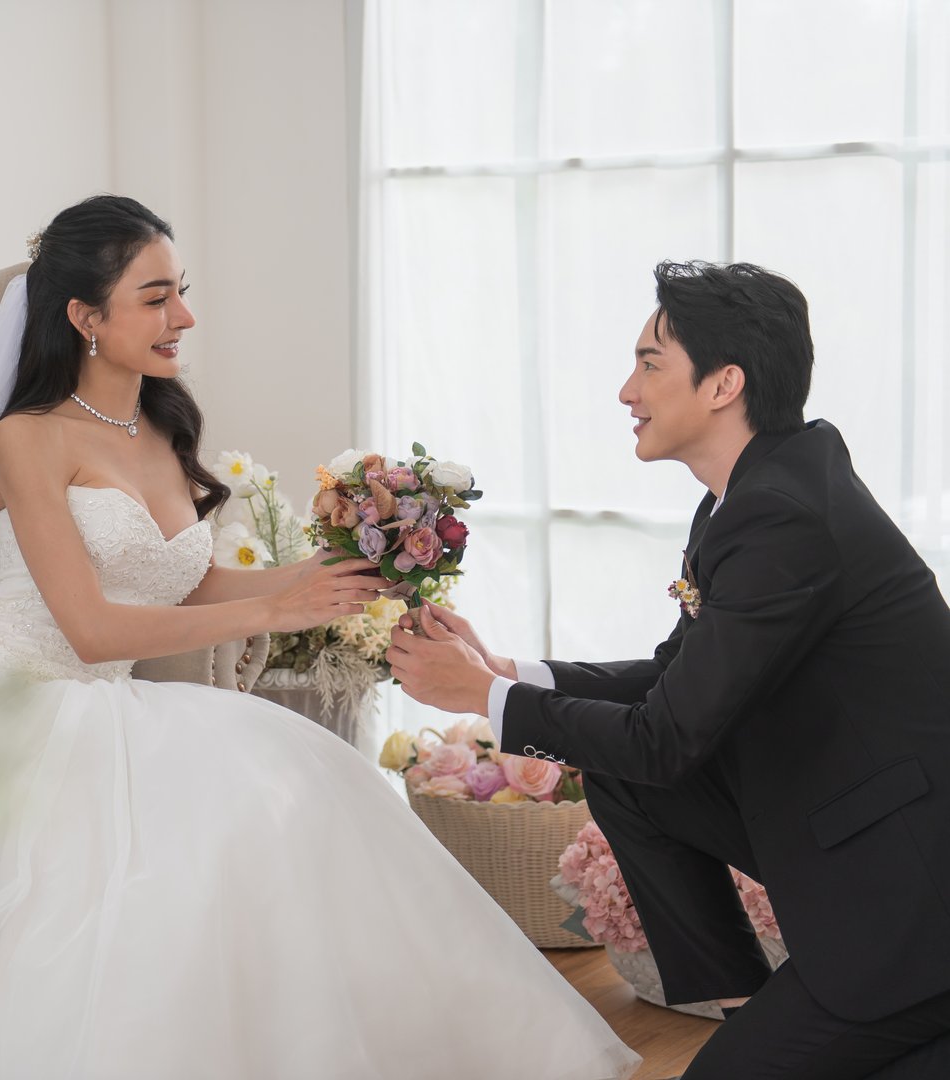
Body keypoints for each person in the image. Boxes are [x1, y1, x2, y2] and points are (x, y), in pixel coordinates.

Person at [0, 195, 639, 1080]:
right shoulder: (27, 439)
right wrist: (275, 611)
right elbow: (87, 627)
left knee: (309, 782)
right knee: (217, 821)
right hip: (12, 695)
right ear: (84, 316)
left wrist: (335, 575)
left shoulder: (160, 429)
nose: (184, 317)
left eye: (182, 291)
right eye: (155, 296)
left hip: (99, 697)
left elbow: (183, 581)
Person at [388, 261, 950, 1079]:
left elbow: (666, 737)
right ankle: (745, 1005)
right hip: (853, 842)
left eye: (650, 364)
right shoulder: (755, 488)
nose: (626, 390)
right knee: (626, 777)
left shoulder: (783, 516)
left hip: (906, 902)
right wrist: (507, 669)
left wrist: (481, 696)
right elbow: (672, 679)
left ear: (724, 384)